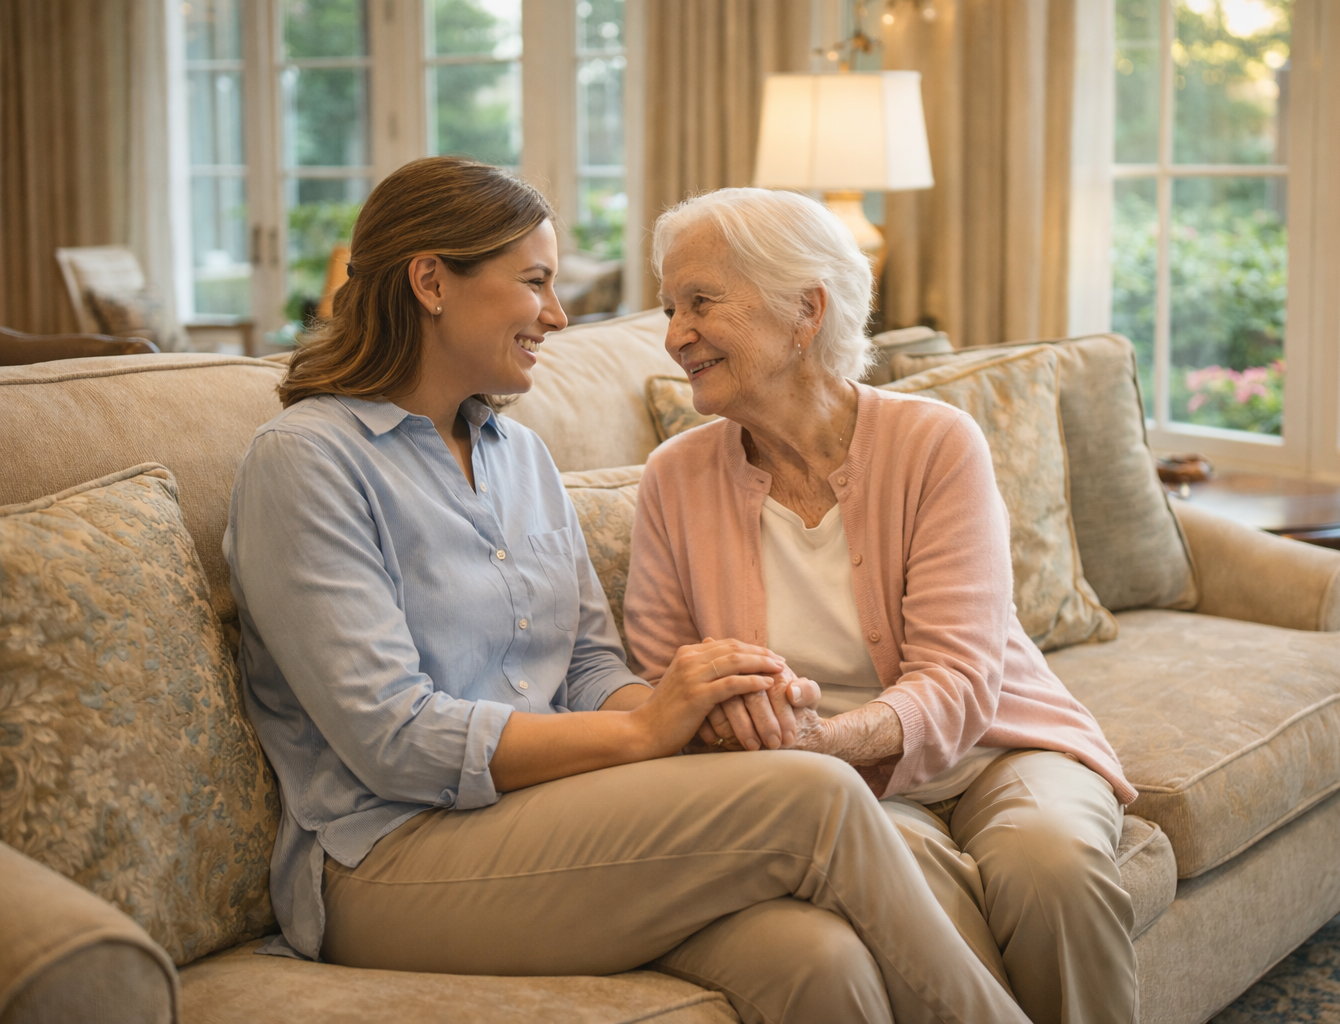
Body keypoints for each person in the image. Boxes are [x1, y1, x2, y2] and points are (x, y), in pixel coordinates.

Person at [223, 156, 1026, 1024]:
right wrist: (644, 731)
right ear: (431, 282)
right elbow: (394, 740)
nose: (558, 316)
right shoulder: (307, 461)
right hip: (383, 858)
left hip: (548, 820)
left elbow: (591, 665)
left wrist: (705, 704)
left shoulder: (518, 456)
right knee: (818, 793)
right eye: (535, 282)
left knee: (819, 962)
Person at [625, 186, 1141, 1024]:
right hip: (828, 793)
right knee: (899, 878)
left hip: (997, 746)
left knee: (1055, 867)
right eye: (669, 307)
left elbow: (960, 679)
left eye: (701, 302)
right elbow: (661, 676)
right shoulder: (674, 478)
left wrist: (824, 738)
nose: (675, 335)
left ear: (805, 310)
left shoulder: (934, 444)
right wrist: (728, 717)